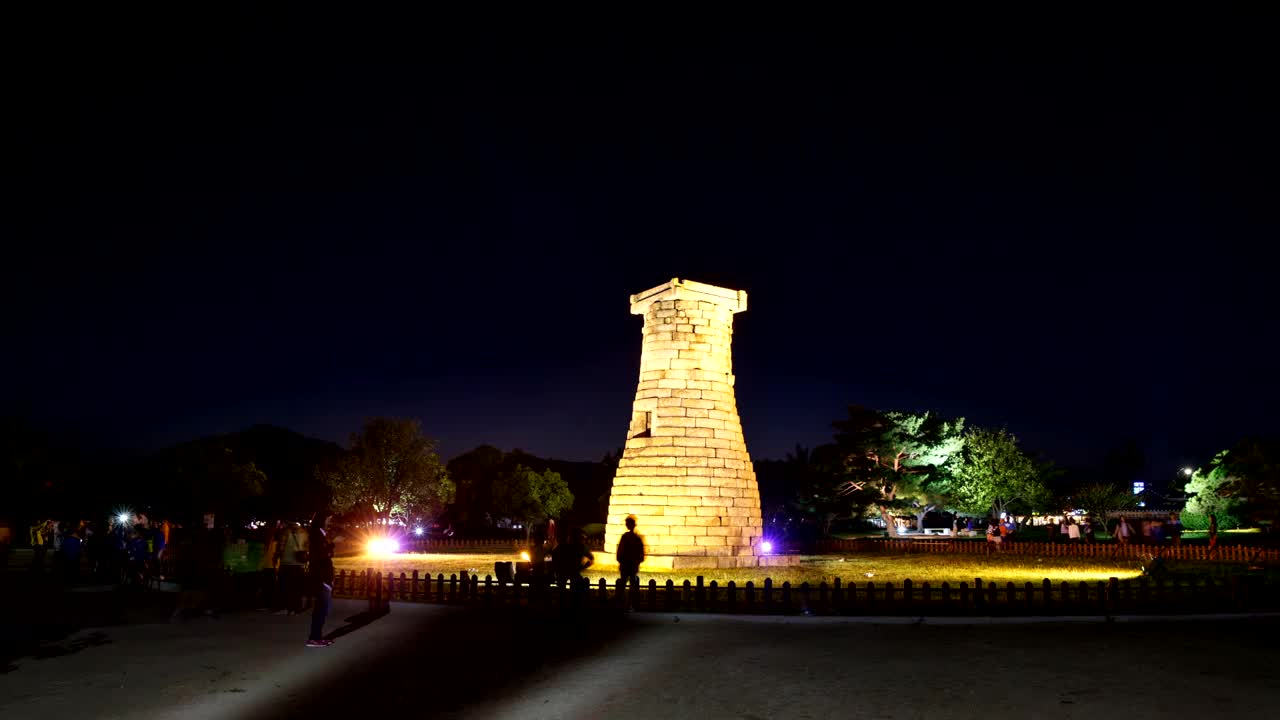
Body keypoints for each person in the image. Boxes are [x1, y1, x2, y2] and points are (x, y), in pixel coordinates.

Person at [306, 514, 335, 648]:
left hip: (323, 577)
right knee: (321, 609)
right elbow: (320, 556)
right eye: (328, 519)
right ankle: (314, 638)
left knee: (322, 609)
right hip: (322, 577)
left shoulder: (320, 535)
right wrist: (333, 544)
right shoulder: (317, 536)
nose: (330, 522)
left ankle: (317, 636)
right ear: (322, 521)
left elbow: (325, 554)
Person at [275, 522, 309, 615]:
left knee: (285, 587)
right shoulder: (304, 533)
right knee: (297, 588)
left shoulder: (285, 533)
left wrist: (278, 556)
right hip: (299, 564)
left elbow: (281, 548)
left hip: (287, 563)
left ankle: (285, 608)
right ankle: (296, 608)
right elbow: (307, 547)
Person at [615, 516, 646, 592]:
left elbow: (620, 550)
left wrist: (620, 560)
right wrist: (638, 561)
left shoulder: (626, 537)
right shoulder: (637, 538)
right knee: (632, 584)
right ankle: (630, 601)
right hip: (632, 564)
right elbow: (641, 553)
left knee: (624, 583)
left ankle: (623, 600)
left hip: (626, 564)